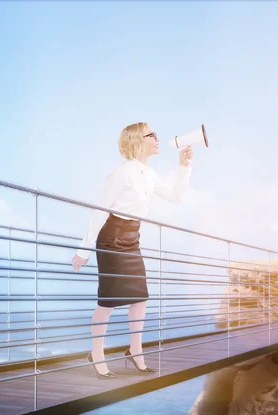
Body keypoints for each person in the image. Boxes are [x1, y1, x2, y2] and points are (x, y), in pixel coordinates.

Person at [71, 122, 193, 379]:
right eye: (152, 135)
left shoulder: (148, 173)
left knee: (140, 297)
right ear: (137, 141)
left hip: (132, 239)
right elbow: (100, 211)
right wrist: (83, 250)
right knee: (108, 301)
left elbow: (175, 197)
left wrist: (184, 167)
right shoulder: (122, 173)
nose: (158, 138)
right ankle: (97, 353)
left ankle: (135, 351)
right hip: (111, 239)